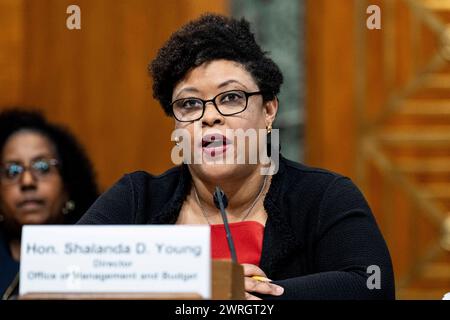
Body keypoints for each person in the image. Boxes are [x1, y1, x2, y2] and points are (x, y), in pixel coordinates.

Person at [78, 14, 395, 299]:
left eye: (231, 98)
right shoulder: (139, 198)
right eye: (189, 105)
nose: (209, 117)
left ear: (269, 109)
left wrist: (247, 297)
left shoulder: (323, 196)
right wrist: (196, 285)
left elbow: (372, 285)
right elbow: (56, 278)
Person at [0, 109, 99, 299]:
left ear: (68, 183)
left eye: (43, 167)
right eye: (12, 171)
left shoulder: (97, 251)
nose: (27, 181)